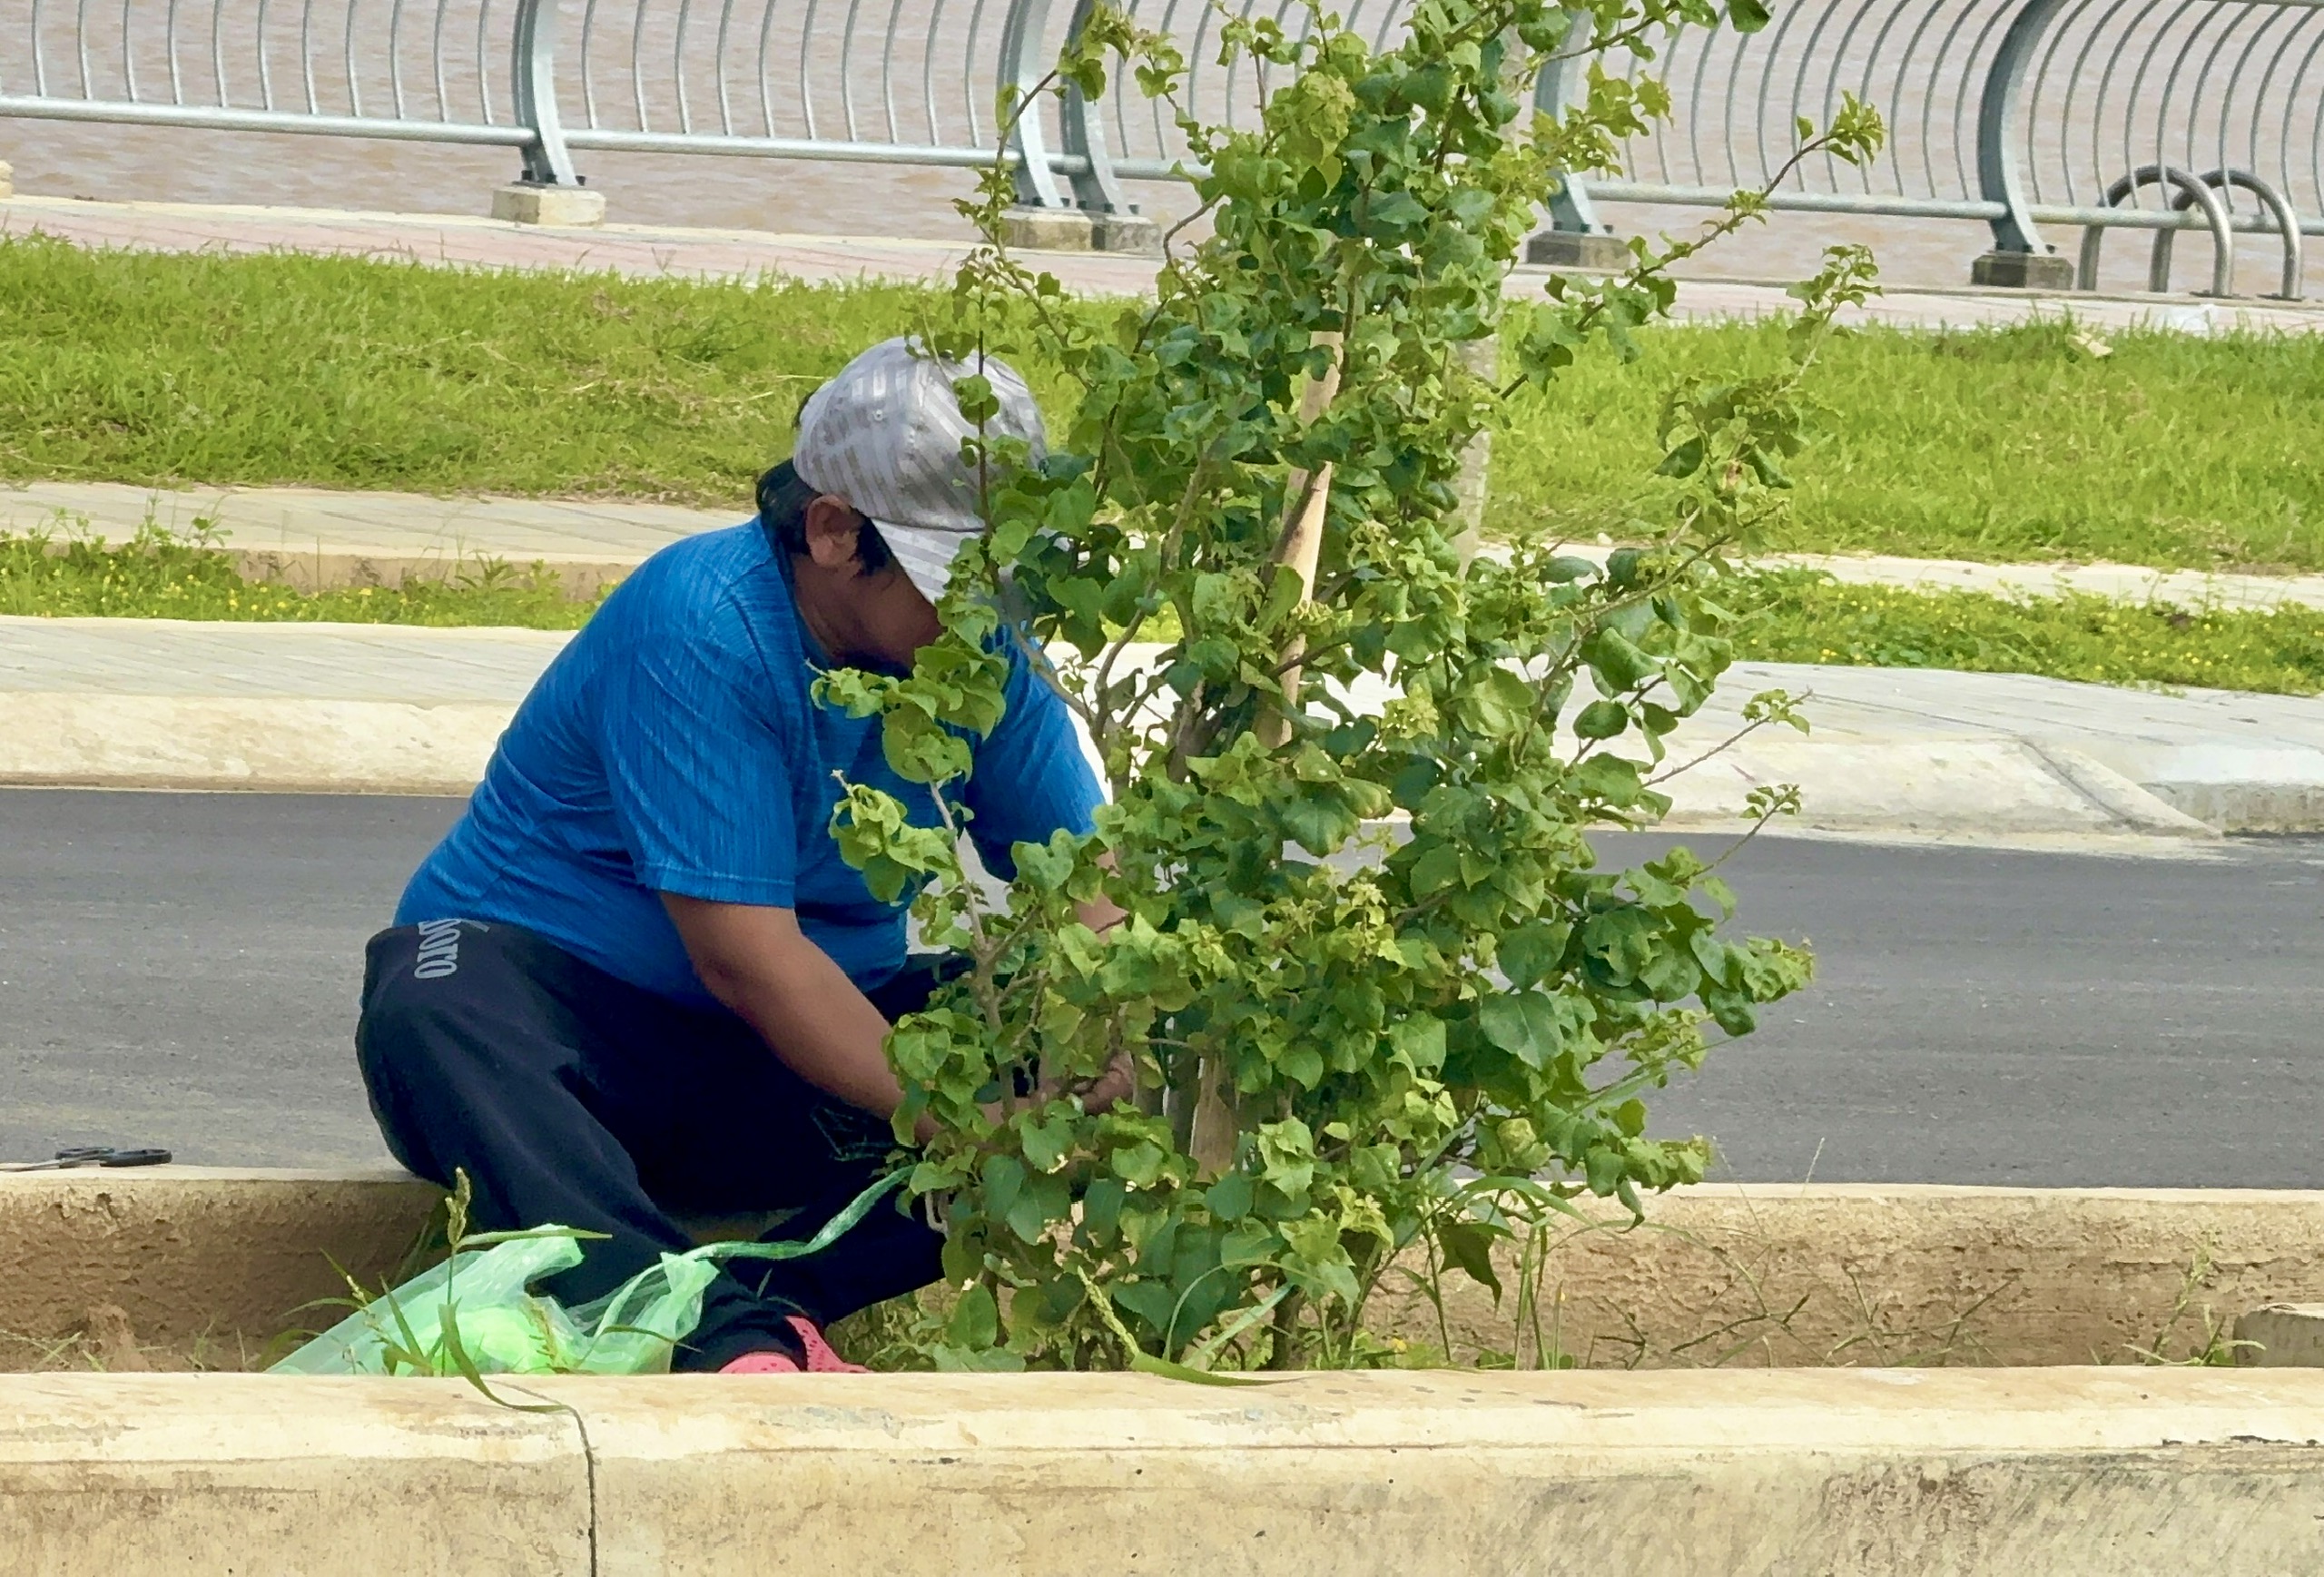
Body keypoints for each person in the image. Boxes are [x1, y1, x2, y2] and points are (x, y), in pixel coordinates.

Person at [354, 338, 1119, 1375]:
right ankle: (689, 1332)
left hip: (800, 1067)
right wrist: (959, 1122)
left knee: (1093, 1028)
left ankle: (768, 1302)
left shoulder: (983, 658)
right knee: (431, 996)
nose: (984, 617)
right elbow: (744, 958)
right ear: (836, 532)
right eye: (957, 585)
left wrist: (1124, 1038)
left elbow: (1091, 899)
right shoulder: (701, 625)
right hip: (581, 1054)